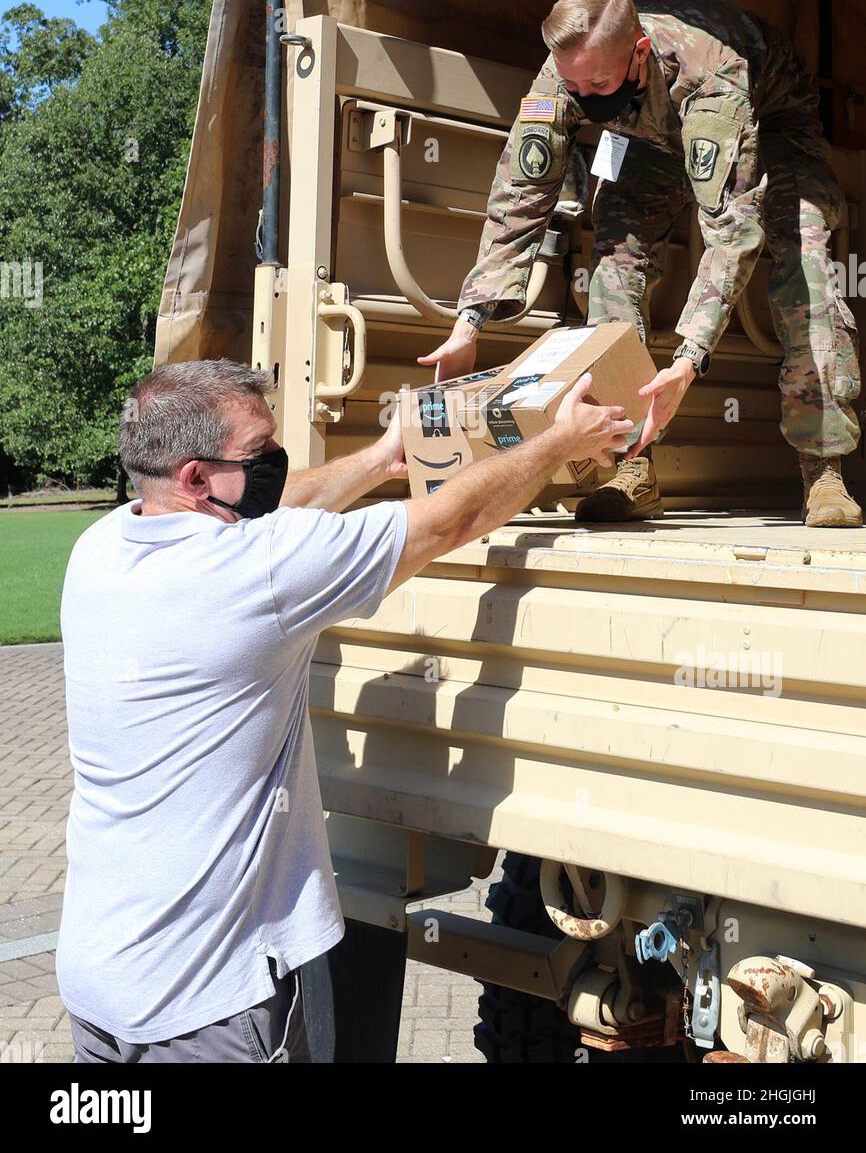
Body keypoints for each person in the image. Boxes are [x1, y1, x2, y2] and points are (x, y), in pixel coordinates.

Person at [57, 357, 631, 1062]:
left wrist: (382, 458)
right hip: (207, 1009)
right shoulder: (259, 571)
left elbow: (282, 501)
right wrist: (558, 441)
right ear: (196, 478)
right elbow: (454, 520)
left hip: (99, 985)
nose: (275, 461)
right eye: (258, 453)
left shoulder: (102, 547)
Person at [419, 0, 862, 528]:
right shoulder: (564, 71)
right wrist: (469, 323)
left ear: (640, 52)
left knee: (804, 259)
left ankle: (823, 469)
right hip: (650, 139)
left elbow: (730, 232)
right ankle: (629, 465)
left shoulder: (711, 74)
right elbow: (521, 192)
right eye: (573, 84)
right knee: (612, 259)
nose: (583, 96)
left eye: (598, 83)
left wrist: (687, 359)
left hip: (771, 121)